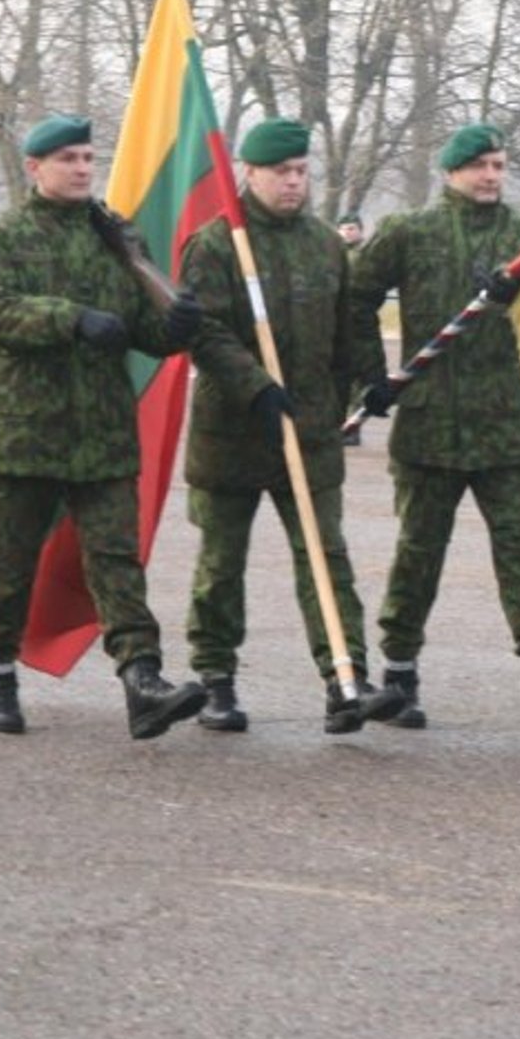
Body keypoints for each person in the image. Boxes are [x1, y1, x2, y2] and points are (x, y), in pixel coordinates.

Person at [347, 122, 520, 733]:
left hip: (507, 427)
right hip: (431, 426)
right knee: (420, 553)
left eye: (498, 165)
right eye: (479, 166)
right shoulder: (410, 232)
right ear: (451, 172)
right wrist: (373, 377)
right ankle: (400, 670)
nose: (491, 176)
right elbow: (358, 298)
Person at [0, 113, 207, 737]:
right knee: (10, 562)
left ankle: (142, 679)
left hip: (101, 432)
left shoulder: (115, 239)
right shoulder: (1, 238)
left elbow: (142, 326)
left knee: (116, 561)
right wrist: (70, 318)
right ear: (34, 168)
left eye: (87, 158)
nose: (79, 169)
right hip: (23, 434)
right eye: (66, 158)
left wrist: (172, 331)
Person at [177, 118, 399, 735]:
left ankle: (345, 679)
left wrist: (369, 382)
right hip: (234, 434)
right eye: (282, 172)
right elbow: (204, 332)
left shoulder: (325, 243)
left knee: (326, 558)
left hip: (309, 431)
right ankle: (216, 678)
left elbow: (348, 326)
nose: (294, 182)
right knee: (222, 563)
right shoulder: (219, 243)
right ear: (250, 172)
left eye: (302, 171)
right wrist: (255, 385)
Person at [335, 216, 367, 447]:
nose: (348, 232)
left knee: (356, 380)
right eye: (344, 228)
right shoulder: (330, 254)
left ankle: (352, 425)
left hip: (356, 323)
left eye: (352, 228)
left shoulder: (365, 258)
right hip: (333, 322)